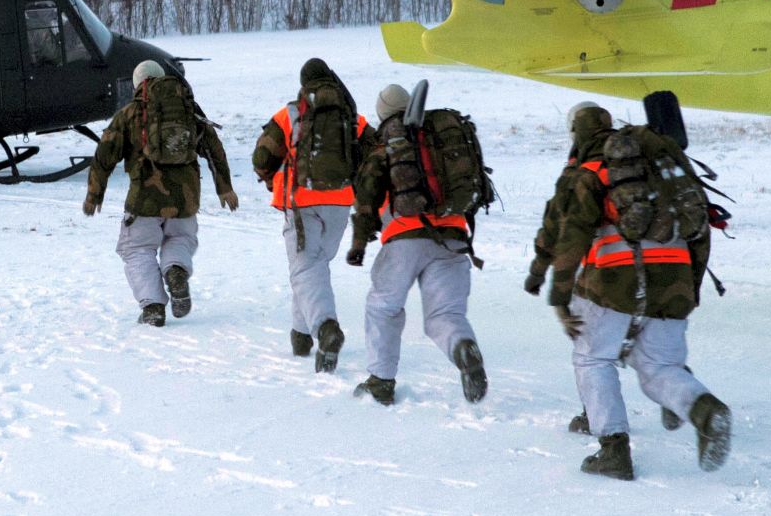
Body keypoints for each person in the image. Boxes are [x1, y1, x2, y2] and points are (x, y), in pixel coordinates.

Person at [544, 101, 730, 480]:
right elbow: (699, 230)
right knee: (659, 366)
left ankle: (614, 450)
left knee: (593, 359)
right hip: (675, 274)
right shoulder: (664, 166)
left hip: (615, 277)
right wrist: (688, 289)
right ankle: (703, 408)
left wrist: (559, 293)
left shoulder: (593, 168)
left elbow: (570, 233)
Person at [344, 84, 486, 406]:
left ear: (382, 113)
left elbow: (366, 201)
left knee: (383, 307)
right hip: (453, 238)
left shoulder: (386, 149)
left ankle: (380, 382)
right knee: (444, 314)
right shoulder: (440, 142)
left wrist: (358, 244)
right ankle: (463, 347)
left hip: (405, 239)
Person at [83, 60, 238, 326]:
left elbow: (103, 157)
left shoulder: (129, 114)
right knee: (179, 238)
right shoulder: (188, 111)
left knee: (137, 249)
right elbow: (214, 149)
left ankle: (153, 306)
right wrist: (224, 188)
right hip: (185, 200)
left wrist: (94, 194)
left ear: (137, 84)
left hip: (144, 200)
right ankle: (175, 269)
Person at [251, 58, 375, 372]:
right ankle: (301, 335)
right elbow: (376, 152)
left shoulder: (290, 114)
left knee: (306, 270)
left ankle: (325, 329)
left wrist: (268, 179)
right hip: (340, 203)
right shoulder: (351, 116)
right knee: (312, 268)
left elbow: (262, 157)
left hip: (301, 203)